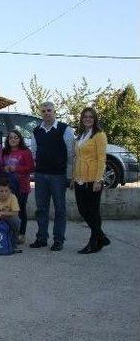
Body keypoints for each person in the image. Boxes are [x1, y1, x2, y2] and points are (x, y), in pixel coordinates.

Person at [29, 101, 75, 251]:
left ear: (54, 111)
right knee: (41, 208)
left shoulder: (65, 129)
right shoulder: (36, 131)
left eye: (49, 110)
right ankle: (41, 238)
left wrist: (67, 173)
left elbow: (70, 153)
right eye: (43, 111)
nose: (46, 113)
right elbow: (35, 153)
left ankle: (58, 240)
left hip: (58, 175)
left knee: (60, 209)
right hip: (41, 175)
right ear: (40, 113)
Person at [72, 107, 110, 254]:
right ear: (82, 119)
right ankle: (101, 237)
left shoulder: (99, 135)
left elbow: (101, 159)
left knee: (93, 212)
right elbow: (77, 157)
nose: (88, 119)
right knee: (83, 210)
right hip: (80, 178)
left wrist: (98, 179)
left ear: (95, 119)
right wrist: (74, 177)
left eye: (91, 117)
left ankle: (94, 242)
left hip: (93, 178)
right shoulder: (81, 135)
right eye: (85, 116)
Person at [2, 129, 35, 244]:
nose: (13, 140)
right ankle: (10, 232)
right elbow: (0, 166)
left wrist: (15, 169)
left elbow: (31, 168)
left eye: (16, 137)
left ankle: (21, 233)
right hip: (7, 188)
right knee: (7, 209)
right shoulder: (4, 152)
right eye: (10, 137)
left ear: (20, 139)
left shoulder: (25, 152)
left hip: (22, 186)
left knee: (20, 210)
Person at [0, 179, 22, 246]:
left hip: (8, 217)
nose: (4, 193)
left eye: (6, 191)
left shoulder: (13, 197)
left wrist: (2, 213)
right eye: (1, 191)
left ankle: (14, 240)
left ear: (10, 191)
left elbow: (16, 213)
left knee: (16, 221)